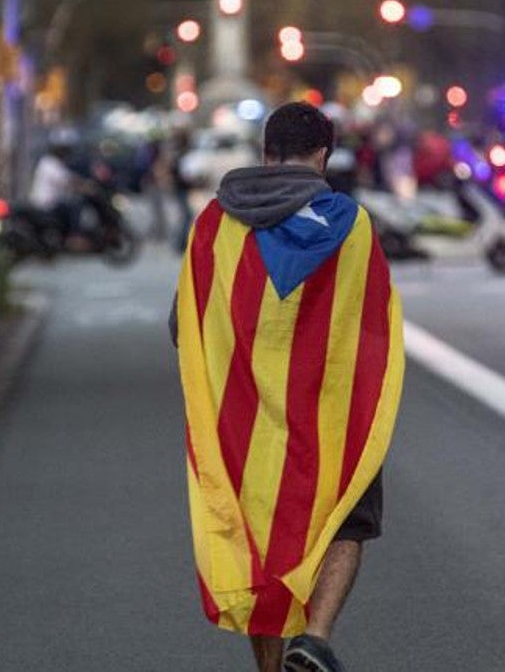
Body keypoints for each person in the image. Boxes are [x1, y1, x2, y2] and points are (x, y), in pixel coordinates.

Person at [171, 102, 405, 672]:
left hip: (247, 427)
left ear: (265, 153)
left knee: (260, 548)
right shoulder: (351, 224)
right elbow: (374, 324)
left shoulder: (213, 225)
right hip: (326, 421)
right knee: (347, 521)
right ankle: (316, 640)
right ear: (322, 157)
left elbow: (184, 325)